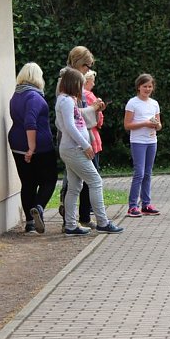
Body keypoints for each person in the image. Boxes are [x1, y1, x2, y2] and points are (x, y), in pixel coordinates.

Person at [54, 67, 123, 236]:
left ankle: (71, 225)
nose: (82, 88)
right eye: (80, 84)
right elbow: (70, 126)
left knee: (74, 187)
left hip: (71, 148)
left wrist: (92, 110)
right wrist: (86, 145)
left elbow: (75, 120)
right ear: (73, 84)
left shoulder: (66, 100)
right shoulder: (66, 101)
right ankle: (103, 222)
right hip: (74, 149)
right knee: (95, 181)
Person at [7, 62, 58, 234]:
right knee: (49, 180)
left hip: (16, 144)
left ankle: (30, 222)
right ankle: (39, 208)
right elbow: (30, 122)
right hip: (39, 147)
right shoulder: (34, 97)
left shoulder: (16, 95)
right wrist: (32, 148)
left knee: (28, 183)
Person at [57, 46, 96, 222]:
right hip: (73, 143)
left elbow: (77, 115)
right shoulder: (67, 84)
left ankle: (77, 220)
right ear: (80, 62)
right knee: (91, 181)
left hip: (80, 139)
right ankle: (74, 219)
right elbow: (70, 121)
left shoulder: (75, 81)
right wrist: (86, 145)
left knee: (76, 184)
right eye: (87, 65)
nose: (89, 69)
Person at [123, 73, 161, 217]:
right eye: (145, 86)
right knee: (139, 173)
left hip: (152, 141)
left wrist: (156, 125)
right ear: (139, 87)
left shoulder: (154, 103)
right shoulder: (132, 103)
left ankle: (146, 204)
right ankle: (132, 206)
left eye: (150, 86)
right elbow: (127, 125)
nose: (147, 89)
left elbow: (159, 124)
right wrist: (144, 123)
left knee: (148, 173)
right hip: (138, 141)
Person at [77, 70, 104, 227]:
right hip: (90, 140)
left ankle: (80, 216)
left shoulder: (75, 97)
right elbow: (96, 120)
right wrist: (98, 110)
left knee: (78, 182)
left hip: (86, 139)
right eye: (92, 80)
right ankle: (89, 216)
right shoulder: (89, 96)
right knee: (93, 179)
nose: (94, 83)